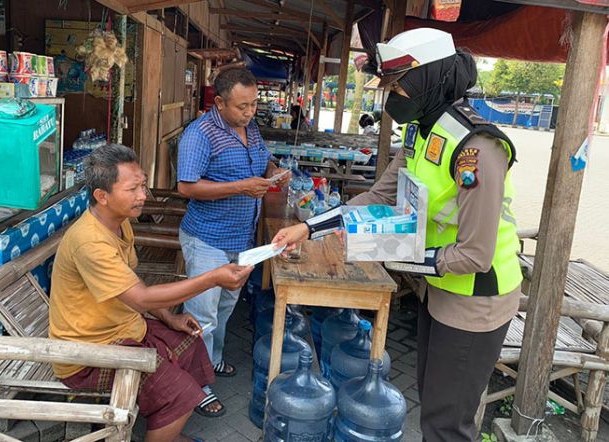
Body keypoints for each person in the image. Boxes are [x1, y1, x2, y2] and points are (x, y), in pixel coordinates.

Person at [271, 28, 522, 442]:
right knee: (433, 404)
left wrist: (392, 254)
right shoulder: (422, 132)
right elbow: (379, 195)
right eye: (389, 85)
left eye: (399, 84)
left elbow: (476, 254)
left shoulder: (476, 147)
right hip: (438, 287)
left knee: (447, 423)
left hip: (476, 296)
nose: (393, 95)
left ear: (429, 78)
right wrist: (309, 228)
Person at [49, 144, 253, 441]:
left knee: (191, 343)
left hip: (125, 329)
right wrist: (213, 278)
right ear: (102, 196)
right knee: (182, 395)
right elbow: (141, 298)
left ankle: (165, 429)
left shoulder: (119, 223)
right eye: (133, 189)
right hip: (88, 355)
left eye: (143, 185)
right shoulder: (89, 242)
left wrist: (169, 318)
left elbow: (132, 283)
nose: (143, 195)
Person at [176, 68, 291, 410]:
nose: (250, 112)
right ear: (220, 102)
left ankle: (211, 361)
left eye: (254, 104)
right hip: (207, 238)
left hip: (241, 239)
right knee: (202, 314)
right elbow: (186, 186)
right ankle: (195, 385)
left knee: (225, 306)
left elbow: (263, 159)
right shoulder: (200, 135)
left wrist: (272, 173)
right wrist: (241, 187)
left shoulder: (250, 128)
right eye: (242, 106)